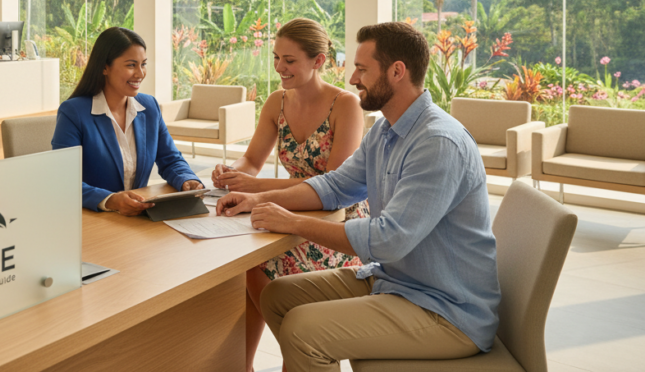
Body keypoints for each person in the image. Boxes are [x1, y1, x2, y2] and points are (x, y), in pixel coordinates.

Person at [217, 21, 500, 371]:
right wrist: (257, 200)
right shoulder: (385, 130)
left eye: (363, 70)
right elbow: (335, 185)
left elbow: (388, 240)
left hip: (445, 309)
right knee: (277, 297)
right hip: (396, 282)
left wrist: (293, 223)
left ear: (397, 72)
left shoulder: (437, 143)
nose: (352, 79)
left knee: (302, 331)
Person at [210, 19, 367, 372]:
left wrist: (257, 189)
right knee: (249, 266)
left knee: (260, 270)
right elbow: (252, 160)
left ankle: (298, 358)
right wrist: (232, 173)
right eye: (276, 57)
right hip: (291, 210)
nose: (280, 67)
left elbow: (333, 183)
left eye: (290, 60)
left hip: (336, 220)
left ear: (319, 61)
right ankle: (243, 365)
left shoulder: (347, 105)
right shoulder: (276, 102)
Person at [52, 27, 204, 214]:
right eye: (131, 65)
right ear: (104, 67)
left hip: (135, 219)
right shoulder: (74, 113)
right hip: (90, 219)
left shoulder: (149, 107)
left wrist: (187, 179)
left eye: (143, 64)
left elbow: (169, 158)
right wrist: (109, 200)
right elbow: (63, 180)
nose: (140, 73)